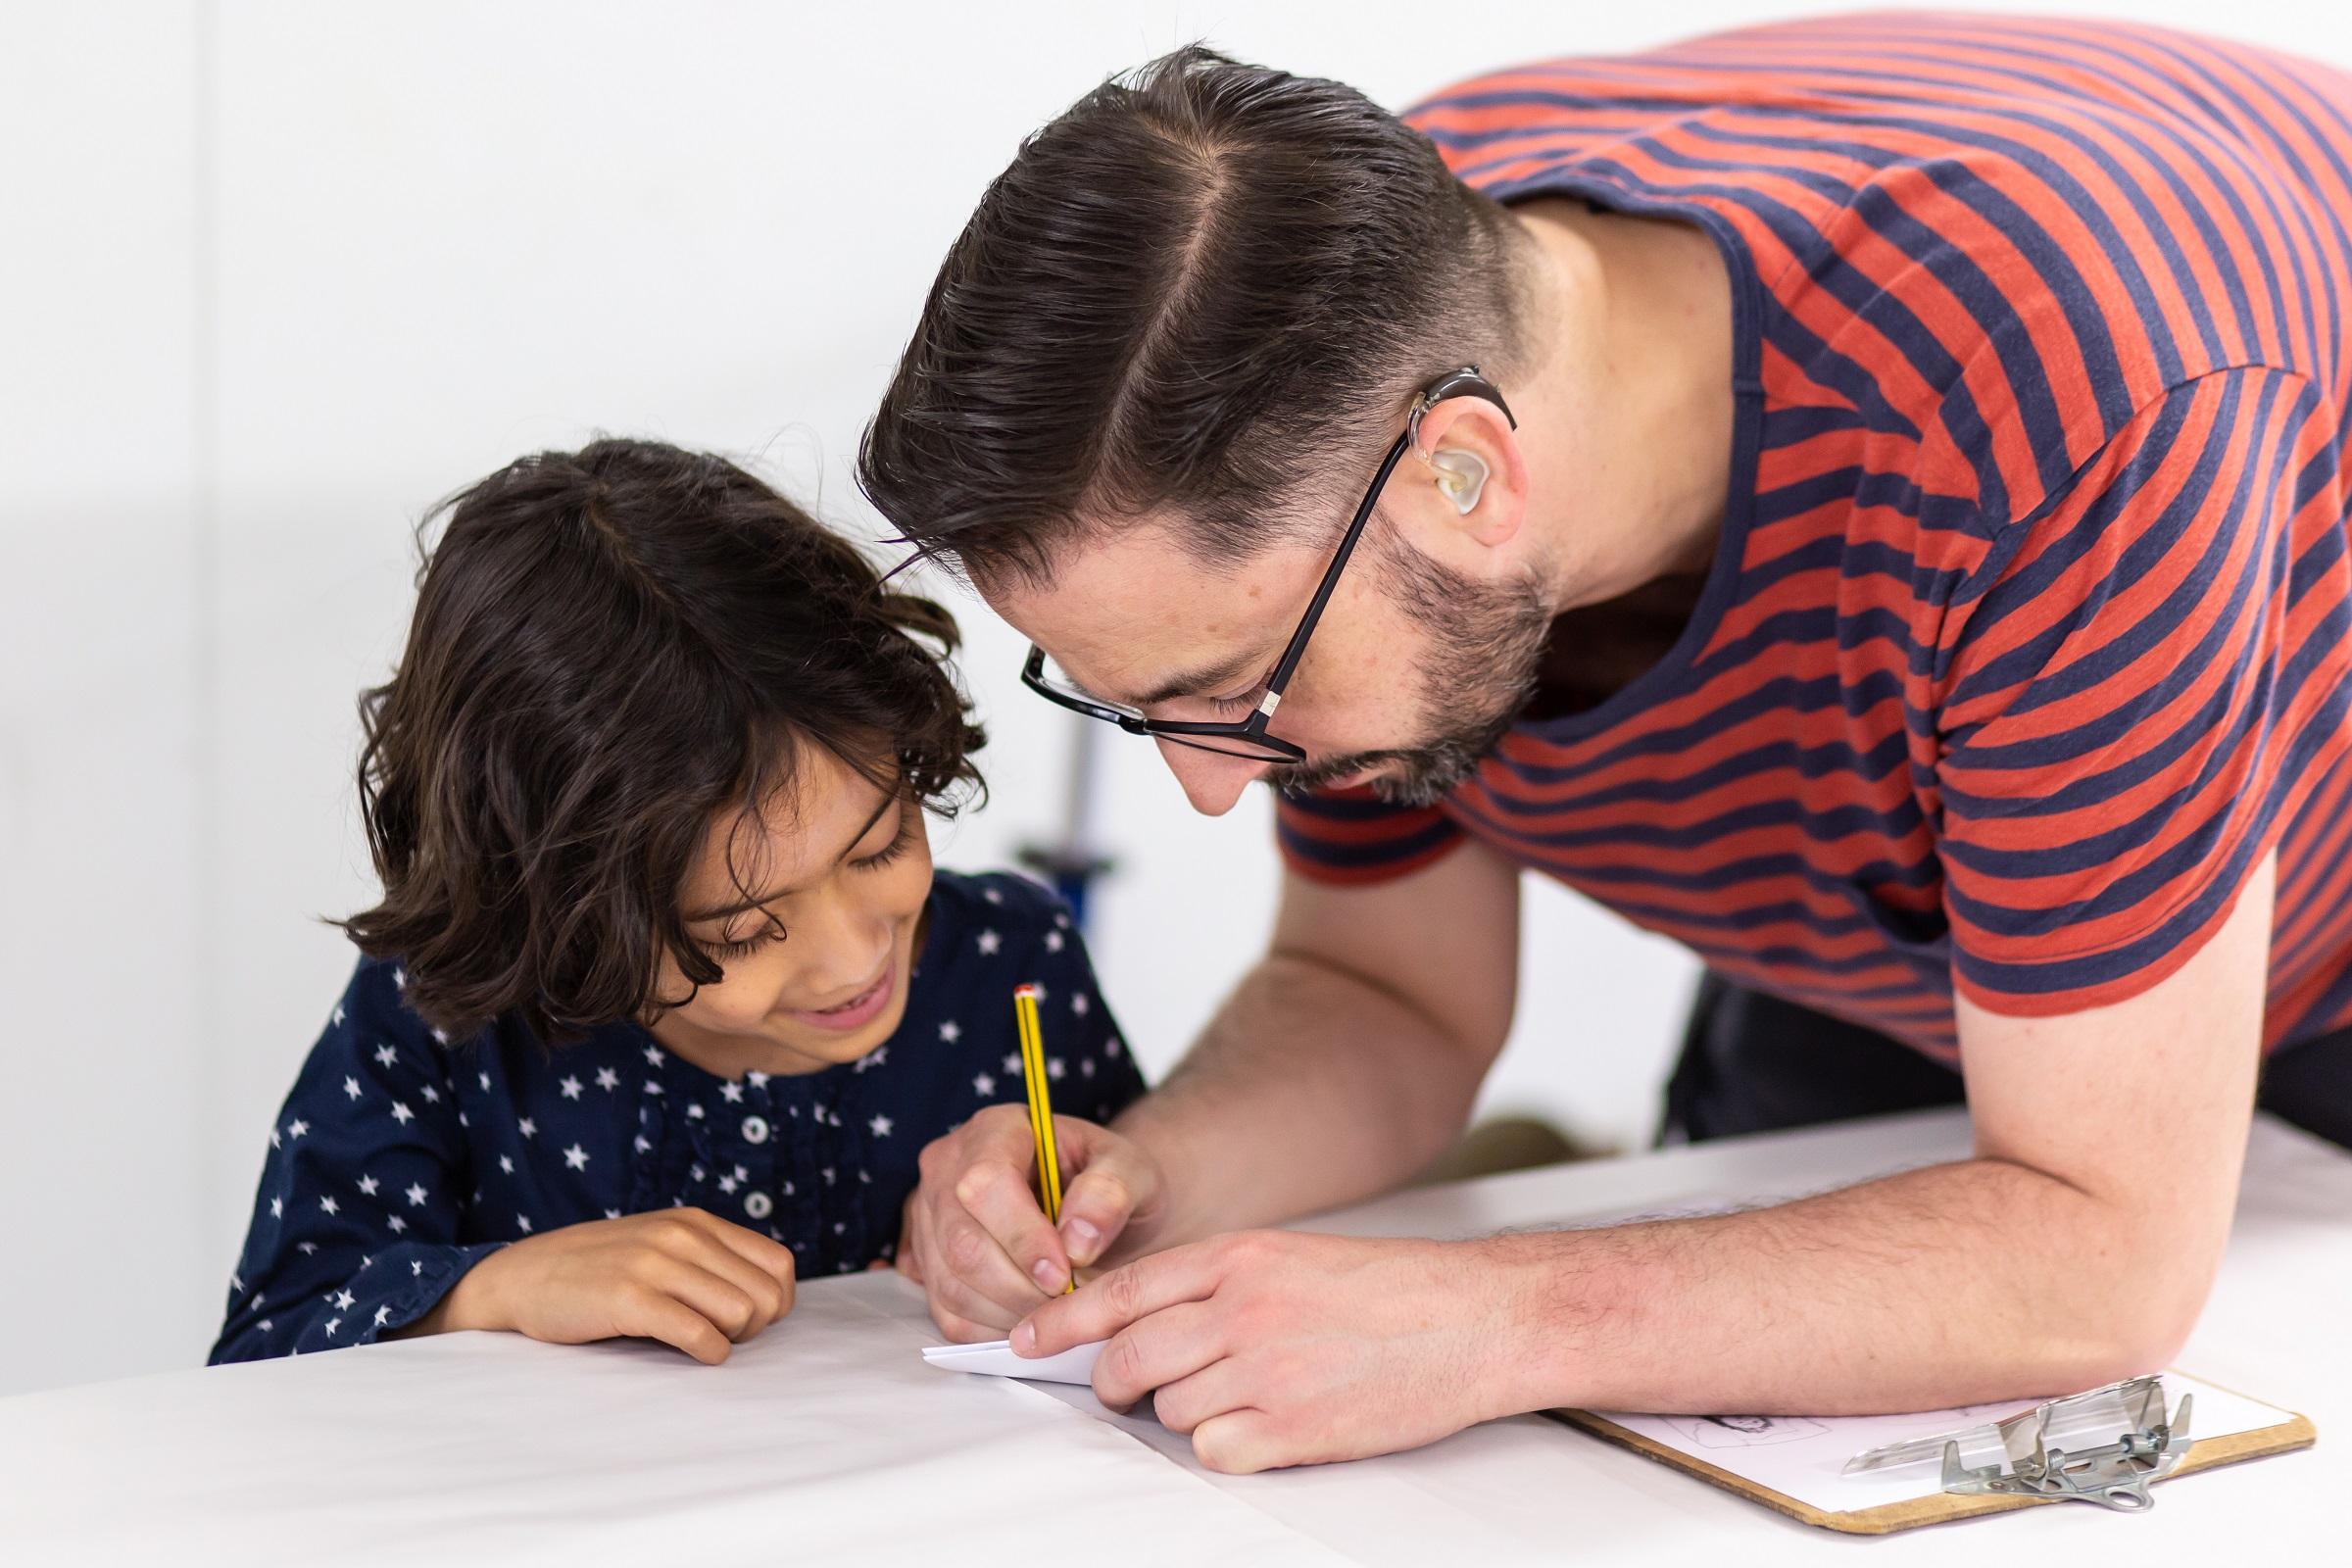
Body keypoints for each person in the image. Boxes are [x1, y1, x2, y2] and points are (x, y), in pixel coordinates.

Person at [858, 15, 2352, 1473]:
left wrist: (1498, 1313)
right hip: (1892, 905)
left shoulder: (2073, 417)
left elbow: (2097, 1258)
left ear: (1469, 472)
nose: (1207, 786)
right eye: (1137, 705)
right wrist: (1149, 1178)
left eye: (1239, 687)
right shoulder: (1347, 318)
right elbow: (1383, 991)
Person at [210, 439, 1142, 1365]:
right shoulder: (445, 1020)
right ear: (562, 917)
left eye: (881, 845)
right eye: (743, 931)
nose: (853, 956)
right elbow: (270, 1347)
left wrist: (1081, 1247)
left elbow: (1147, 1240)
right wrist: (497, 1287)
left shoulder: (1015, 963)